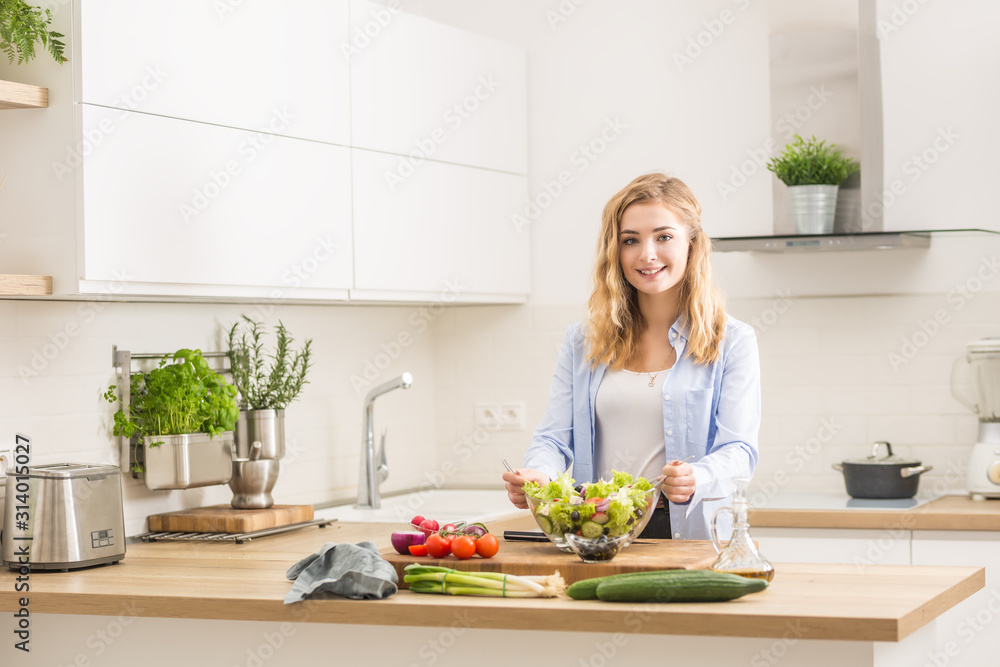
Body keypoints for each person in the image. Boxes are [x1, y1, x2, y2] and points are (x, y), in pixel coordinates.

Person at [502, 173, 761, 540]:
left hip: (688, 533)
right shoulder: (584, 341)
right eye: (630, 240)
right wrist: (538, 475)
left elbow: (739, 449)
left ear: (692, 243)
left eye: (664, 236)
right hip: (598, 535)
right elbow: (554, 438)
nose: (647, 254)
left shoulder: (731, 340)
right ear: (615, 250)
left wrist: (697, 477)